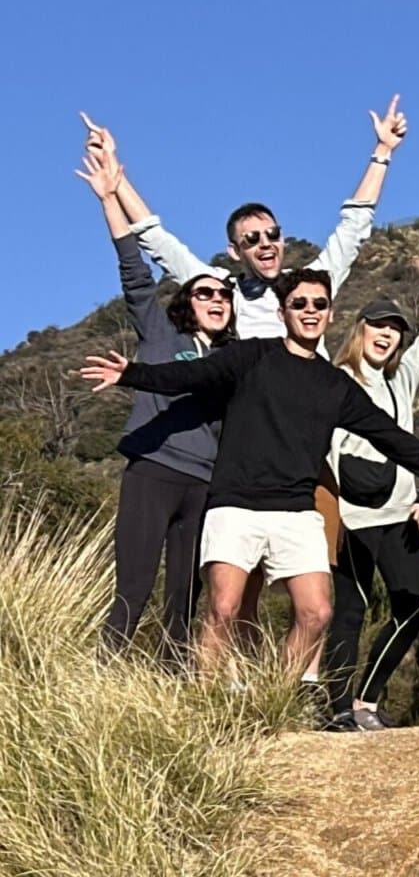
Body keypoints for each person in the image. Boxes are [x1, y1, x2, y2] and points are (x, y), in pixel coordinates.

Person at [80, 269, 419, 682]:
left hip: (295, 510)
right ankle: (203, 703)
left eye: (318, 304)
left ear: (331, 314)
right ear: (282, 312)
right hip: (235, 505)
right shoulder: (251, 356)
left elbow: (391, 437)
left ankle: (275, 698)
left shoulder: (334, 385)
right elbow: (188, 376)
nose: (310, 311)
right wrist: (132, 374)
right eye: (300, 304)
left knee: (316, 613)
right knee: (223, 609)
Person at [79, 147, 233, 660]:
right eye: (204, 292)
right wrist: (109, 199)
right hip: (153, 473)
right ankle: (103, 679)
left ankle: (171, 694)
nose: (215, 299)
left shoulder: (237, 360)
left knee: (183, 601)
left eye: (223, 296)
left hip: (204, 486)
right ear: (187, 303)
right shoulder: (161, 335)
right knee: (134, 588)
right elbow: (135, 272)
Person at [84, 100, 408, 340]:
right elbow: (157, 240)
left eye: (272, 234)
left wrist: (383, 151)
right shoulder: (221, 292)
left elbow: (354, 227)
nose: (265, 244)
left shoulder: (308, 286)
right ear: (235, 252)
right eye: (251, 239)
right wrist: (116, 178)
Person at [319, 283, 419, 731]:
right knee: (350, 611)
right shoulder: (335, 380)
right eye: (379, 325)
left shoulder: (399, 382)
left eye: (396, 330)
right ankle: (336, 708)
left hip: (399, 515)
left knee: (413, 607)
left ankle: (366, 701)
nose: (387, 335)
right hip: (352, 518)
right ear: (360, 329)